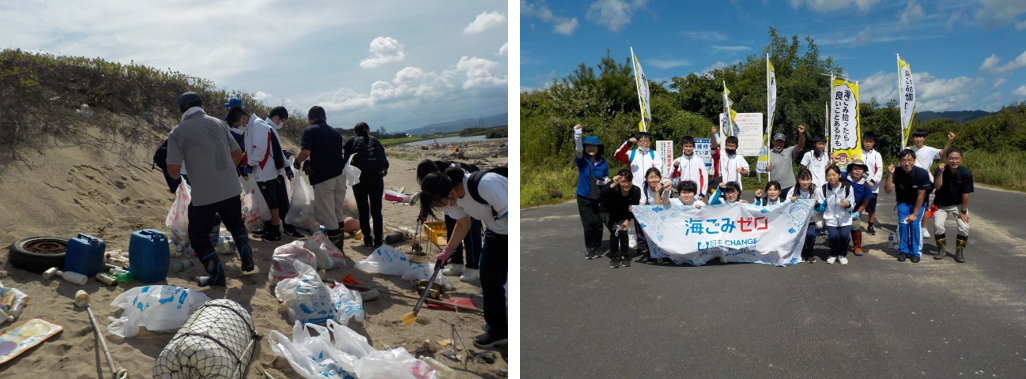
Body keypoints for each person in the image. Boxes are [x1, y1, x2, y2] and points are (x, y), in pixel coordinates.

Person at [165, 92, 254, 287]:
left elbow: (172, 169)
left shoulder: (178, 132)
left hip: (205, 191)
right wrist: (226, 172)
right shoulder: (219, 123)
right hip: (231, 185)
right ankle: (246, 255)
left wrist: (179, 177)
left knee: (198, 236)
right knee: (235, 223)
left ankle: (217, 277)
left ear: (182, 109)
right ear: (201, 104)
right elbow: (237, 153)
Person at [418, 167, 508, 349]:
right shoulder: (454, 199)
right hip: (496, 231)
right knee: (488, 279)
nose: (442, 208)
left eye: (439, 204)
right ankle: (498, 332)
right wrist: (447, 252)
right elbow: (462, 223)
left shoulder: (486, 185)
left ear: (451, 193)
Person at [415, 160, 483, 282]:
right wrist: (447, 251)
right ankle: (456, 263)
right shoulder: (433, 183)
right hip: (451, 203)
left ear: (437, 172)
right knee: (452, 231)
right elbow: (428, 199)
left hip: (470, 204)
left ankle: (473, 266)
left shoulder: (453, 178)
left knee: (471, 234)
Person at [229, 105, 289, 241]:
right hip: (260, 171)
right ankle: (268, 227)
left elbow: (260, 150)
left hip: (265, 172)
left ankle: (275, 231)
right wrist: (244, 158)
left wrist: (249, 165)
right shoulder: (251, 128)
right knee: (264, 202)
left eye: (238, 124)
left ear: (243, 118)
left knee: (271, 202)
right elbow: (251, 149)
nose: (238, 127)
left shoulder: (258, 126)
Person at [294, 106, 348, 252]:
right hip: (340, 175)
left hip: (324, 178)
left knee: (328, 216)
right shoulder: (335, 133)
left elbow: (305, 152)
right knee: (337, 213)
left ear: (310, 119)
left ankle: (336, 251)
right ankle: (340, 249)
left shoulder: (310, 131)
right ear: (325, 118)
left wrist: (297, 162)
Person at [343, 122, 390, 247]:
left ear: (355, 132)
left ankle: (368, 240)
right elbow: (385, 164)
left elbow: (346, 162)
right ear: (368, 130)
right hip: (377, 179)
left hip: (360, 180)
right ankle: (379, 239)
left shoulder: (351, 142)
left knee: (363, 210)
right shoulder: (376, 141)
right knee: (376, 210)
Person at [884, 149, 933, 263]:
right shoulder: (896, 172)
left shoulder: (922, 173)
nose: (907, 163)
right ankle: (903, 250)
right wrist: (890, 174)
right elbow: (887, 190)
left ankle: (916, 252)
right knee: (903, 224)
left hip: (918, 203)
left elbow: (921, 196)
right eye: (904, 160)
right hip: (903, 202)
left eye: (910, 160)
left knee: (915, 224)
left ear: (914, 160)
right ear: (900, 161)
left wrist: (915, 214)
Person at [573, 125, 610, 260]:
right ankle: (590, 248)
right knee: (588, 224)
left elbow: (606, 178)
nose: (591, 148)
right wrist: (578, 134)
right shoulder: (582, 161)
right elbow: (578, 149)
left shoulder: (603, 162)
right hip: (583, 197)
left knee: (598, 223)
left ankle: (598, 246)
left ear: (598, 148)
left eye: (594, 146)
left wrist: (604, 182)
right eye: (588, 146)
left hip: (598, 197)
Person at [932, 148, 973, 262]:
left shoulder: (966, 174)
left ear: (961, 159)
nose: (953, 161)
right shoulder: (940, 170)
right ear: (946, 159)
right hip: (940, 203)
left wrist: (963, 211)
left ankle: (959, 251)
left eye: (956, 158)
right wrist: (940, 172)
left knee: (964, 226)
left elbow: (966, 194)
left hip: (958, 204)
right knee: (938, 225)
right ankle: (941, 249)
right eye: (951, 158)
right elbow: (937, 187)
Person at [599, 169, 641, 269]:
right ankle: (614, 257)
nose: (626, 184)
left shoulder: (635, 191)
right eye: (623, 181)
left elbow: (633, 209)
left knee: (623, 231)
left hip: (622, 213)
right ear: (619, 181)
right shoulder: (613, 188)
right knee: (615, 230)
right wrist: (613, 183)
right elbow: (602, 194)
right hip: (607, 212)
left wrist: (626, 222)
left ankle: (625, 256)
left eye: (629, 181)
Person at [820, 165, 855, 265]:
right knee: (833, 236)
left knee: (844, 236)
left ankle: (842, 254)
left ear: (839, 175)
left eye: (834, 175)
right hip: (830, 217)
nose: (831, 177)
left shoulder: (847, 187)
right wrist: (817, 205)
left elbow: (853, 204)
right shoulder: (823, 188)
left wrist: (848, 204)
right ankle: (833, 254)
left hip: (845, 217)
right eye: (829, 175)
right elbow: (821, 206)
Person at [788, 168, 823, 263]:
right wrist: (791, 201)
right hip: (797, 220)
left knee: (810, 235)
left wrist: (816, 204)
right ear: (798, 179)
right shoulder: (793, 190)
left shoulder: (816, 190)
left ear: (811, 179)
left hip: (811, 219)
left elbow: (821, 207)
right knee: (800, 235)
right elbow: (786, 205)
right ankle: (803, 252)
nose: (805, 182)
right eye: (802, 179)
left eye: (807, 179)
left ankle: (810, 252)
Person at [636, 167, 670, 263]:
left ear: (660, 178)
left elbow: (659, 207)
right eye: (650, 178)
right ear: (646, 179)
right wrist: (636, 210)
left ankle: (666, 254)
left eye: (656, 177)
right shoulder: (645, 188)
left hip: (664, 215)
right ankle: (648, 249)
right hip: (652, 216)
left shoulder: (665, 188)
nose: (653, 180)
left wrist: (657, 192)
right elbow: (642, 203)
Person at [765, 125, 806, 195]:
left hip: (790, 186)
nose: (779, 143)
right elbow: (760, 168)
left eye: (781, 141)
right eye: (777, 141)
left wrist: (801, 134)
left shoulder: (789, 151)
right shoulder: (768, 154)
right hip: (775, 187)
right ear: (773, 142)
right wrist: (765, 169)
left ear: (784, 143)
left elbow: (800, 146)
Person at [846, 159, 873, 256]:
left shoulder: (865, 185)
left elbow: (866, 201)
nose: (857, 171)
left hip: (855, 209)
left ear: (863, 171)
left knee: (855, 226)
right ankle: (840, 244)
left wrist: (858, 212)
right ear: (851, 170)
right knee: (840, 228)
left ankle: (857, 246)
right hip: (842, 208)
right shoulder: (844, 179)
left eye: (860, 169)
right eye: (855, 168)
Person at [861, 132, 884, 235]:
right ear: (863, 141)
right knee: (858, 205)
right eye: (866, 141)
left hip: (872, 186)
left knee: (871, 207)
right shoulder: (858, 152)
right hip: (859, 184)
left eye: (870, 142)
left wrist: (873, 181)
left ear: (873, 143)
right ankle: (855, 224)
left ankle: (870, 225)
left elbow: (879, 170)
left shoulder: (876, 155)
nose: (868, 144)